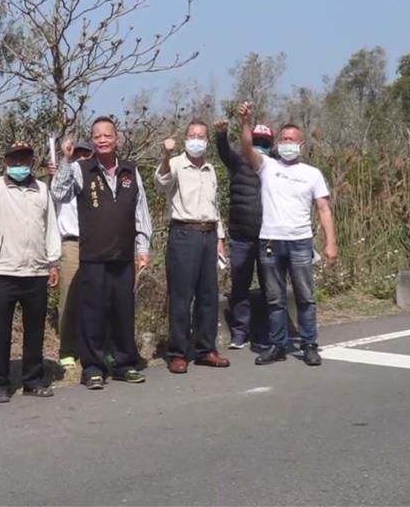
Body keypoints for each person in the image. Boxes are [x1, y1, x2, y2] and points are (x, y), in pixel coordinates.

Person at [52, 116, 153, 389]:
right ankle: (93, 368)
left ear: (116, 138)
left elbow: (141, 212)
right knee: (92, 314)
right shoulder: (81, 170)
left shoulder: (131, 172)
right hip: (93, 256)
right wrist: (66, 160)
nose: (103, 139)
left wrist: (143, 248)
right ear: (93, 141)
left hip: (123, 255)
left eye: (108, 135)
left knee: (123, 312)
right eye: (97, 136)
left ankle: (123, 363)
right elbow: (58, 194)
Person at [238, 102, 338, 366]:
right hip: (270, 240)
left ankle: (309, 345)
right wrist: (246, 122)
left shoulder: (312, 174)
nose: (287, 143)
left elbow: (324, 209)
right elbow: (247, 147)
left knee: (305, 296)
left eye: (292, 140)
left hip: (300, 242)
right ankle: (278, 345)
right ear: (277, 143)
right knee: (274, 298)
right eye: (283, 139)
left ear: (302, 145)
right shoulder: (267, 166)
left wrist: (331, 244)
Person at [0, 139, 61, 402]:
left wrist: (53, 262)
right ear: (6, 162)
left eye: (24, 159)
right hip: (5, 269)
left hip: (36, 270)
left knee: (35, 330)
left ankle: (33, 380)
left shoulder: (41, 189)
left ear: (31, 161)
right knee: (1, 331)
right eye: (14, 159)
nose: (19, 164)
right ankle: (1, 384)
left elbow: (50, 226)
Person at [156, 120, 230, 374]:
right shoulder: (176, 163)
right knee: (181, 296)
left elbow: (215, 207)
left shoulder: (210, 169)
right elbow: (162, 182)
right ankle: (178, 352)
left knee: (209, 296)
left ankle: (206, 349)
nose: (196, 139)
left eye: (201, 136)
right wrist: (166, 154)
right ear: (185, 138)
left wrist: (220, 239)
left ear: (207, 141)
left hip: (208, 235)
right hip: (184, 234)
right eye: (192, 135)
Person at [213, 118, 273, 350]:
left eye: (265, 143)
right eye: (256, 141)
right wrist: (221, 134)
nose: (260, 146)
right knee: (240, 287)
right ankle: (240, 332)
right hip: (241, 236)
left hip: (269, 236)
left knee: (271, 286)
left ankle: (268, 332)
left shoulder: (275, 166)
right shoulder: (238, 162)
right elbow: (224, 151)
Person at [50, 141, 95, 369]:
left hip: (97, 243)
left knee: (99, 298)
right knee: (69, 298)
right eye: (77, 155)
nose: (82, 159)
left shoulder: (97, 180)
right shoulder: (63, 181)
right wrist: (64, 164)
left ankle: (96, 347)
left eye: (86, 155)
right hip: (72, 244)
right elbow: (56, 191)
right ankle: (67, 349)